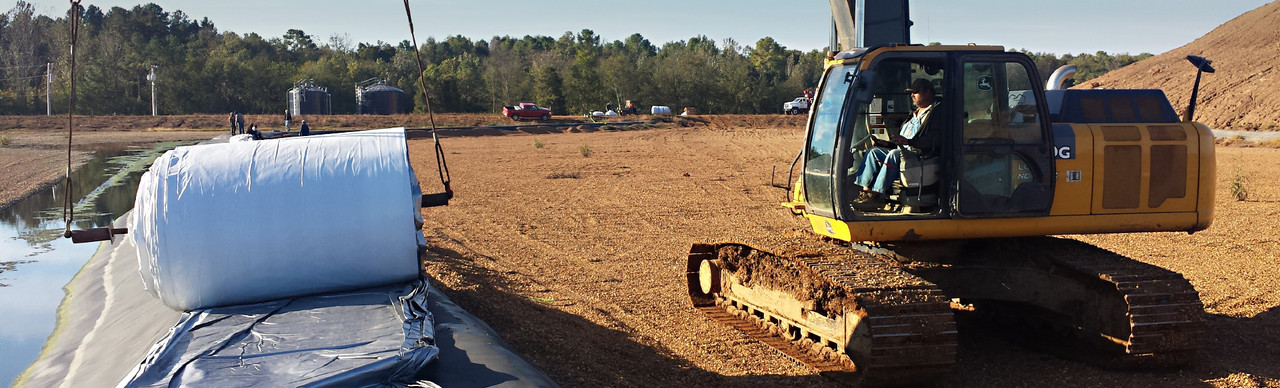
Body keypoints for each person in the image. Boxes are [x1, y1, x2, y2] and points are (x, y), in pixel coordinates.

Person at [851, 78, 943, 210]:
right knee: (874, 152)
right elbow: (901, 142)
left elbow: (933, 138)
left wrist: (909, 142)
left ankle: (877, 194)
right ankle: (866, 193)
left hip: (919, 155)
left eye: (916, 92)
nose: (912, 95)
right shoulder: (913, 114)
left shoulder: (936, 113)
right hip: (902, 151)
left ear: (928, 92)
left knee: (894, 155)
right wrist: (888, 144)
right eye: (911, 93)